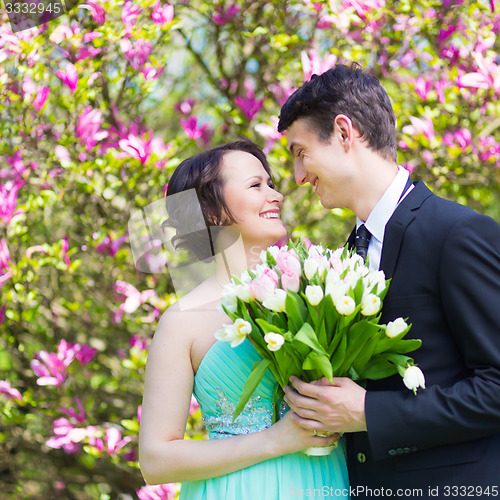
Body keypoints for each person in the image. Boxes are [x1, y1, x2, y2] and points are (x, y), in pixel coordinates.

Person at [277, 63, 500, 496]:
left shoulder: (455, 234)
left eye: (300, 152)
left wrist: (368, 413)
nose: (299, 176)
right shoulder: (347, 255)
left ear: (344, 133)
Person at [138, 139, 349, 499]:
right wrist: (274, 440)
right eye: (256, 185)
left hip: (327, 481)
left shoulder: (318, 292)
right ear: (212, 213)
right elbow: (156, 460)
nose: (277, 195)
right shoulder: (182, 321)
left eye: (270, 184)